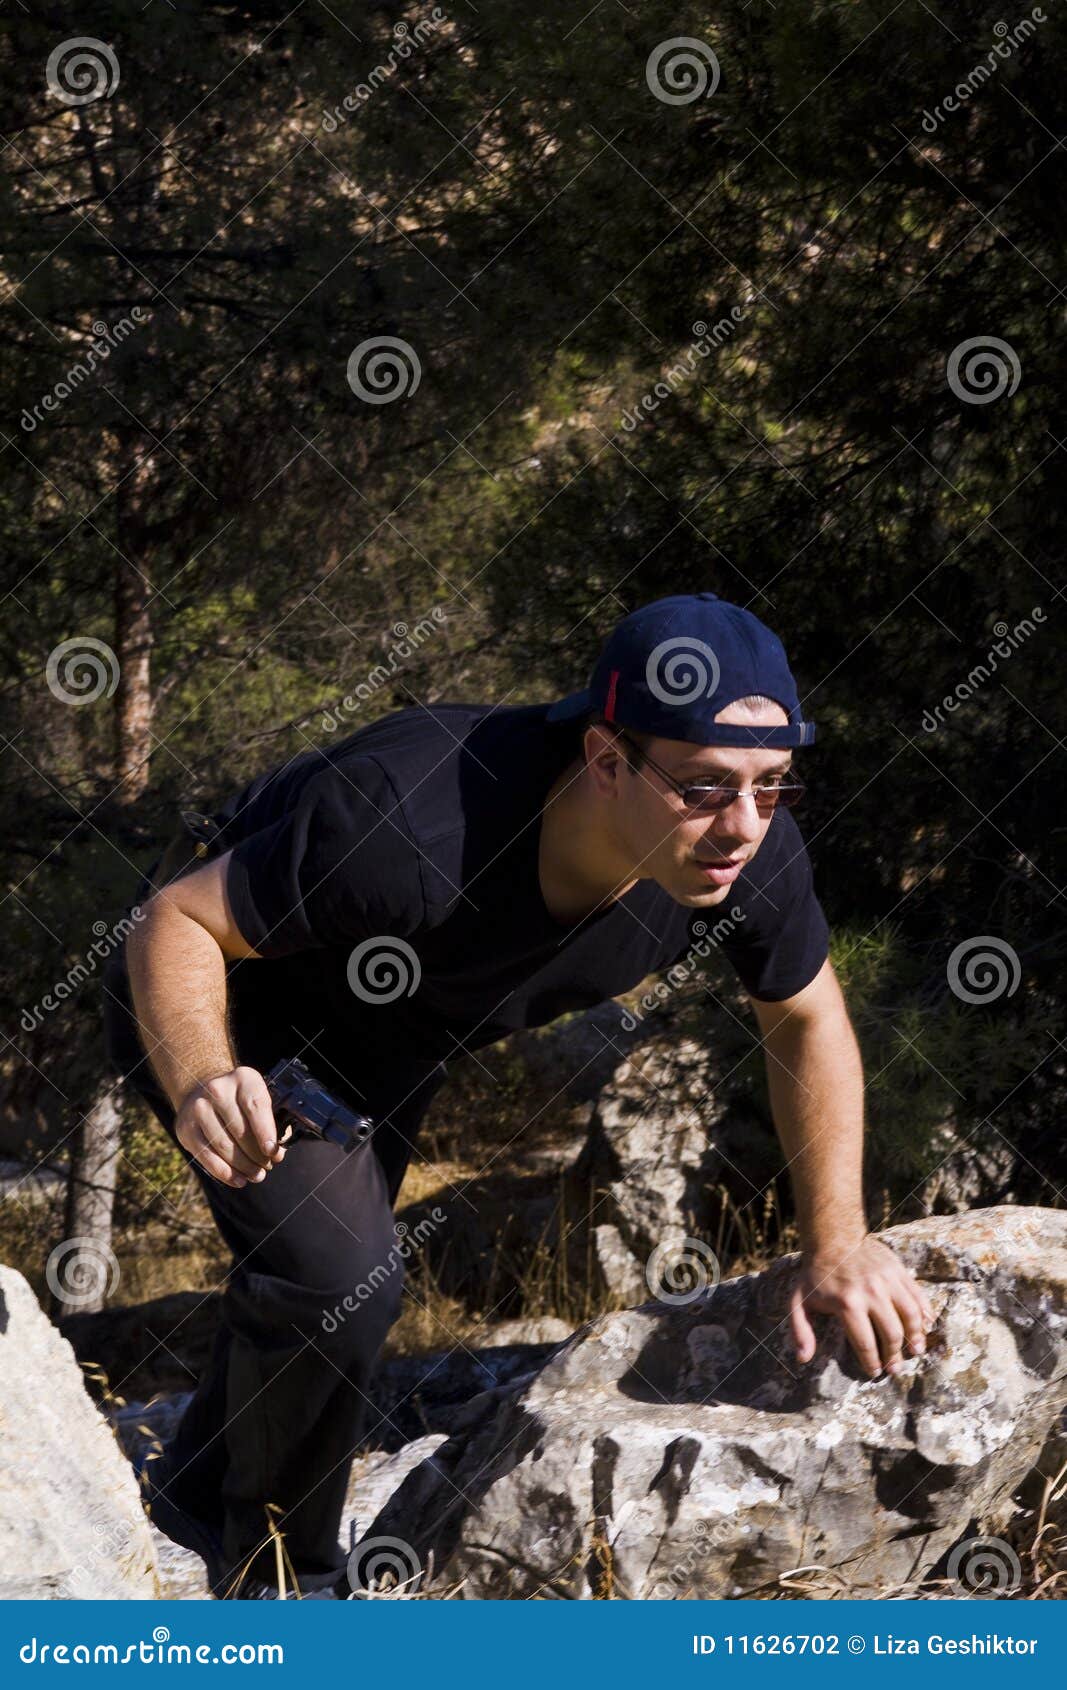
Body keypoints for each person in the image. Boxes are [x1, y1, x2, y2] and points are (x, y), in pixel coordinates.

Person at [102, 590, 933, 1599]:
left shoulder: (740, 851)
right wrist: (200, 1076)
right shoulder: (410, 819)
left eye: (773, 787)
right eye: (707, 787)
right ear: (604, 760)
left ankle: (189, 1496)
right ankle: (282, 1587)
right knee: (336, 1274)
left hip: (395, 1036)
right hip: (223, 1004)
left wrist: (835, 1241)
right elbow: (173, 922)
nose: (743, 826)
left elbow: (806, 1020)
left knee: (321, 1278)